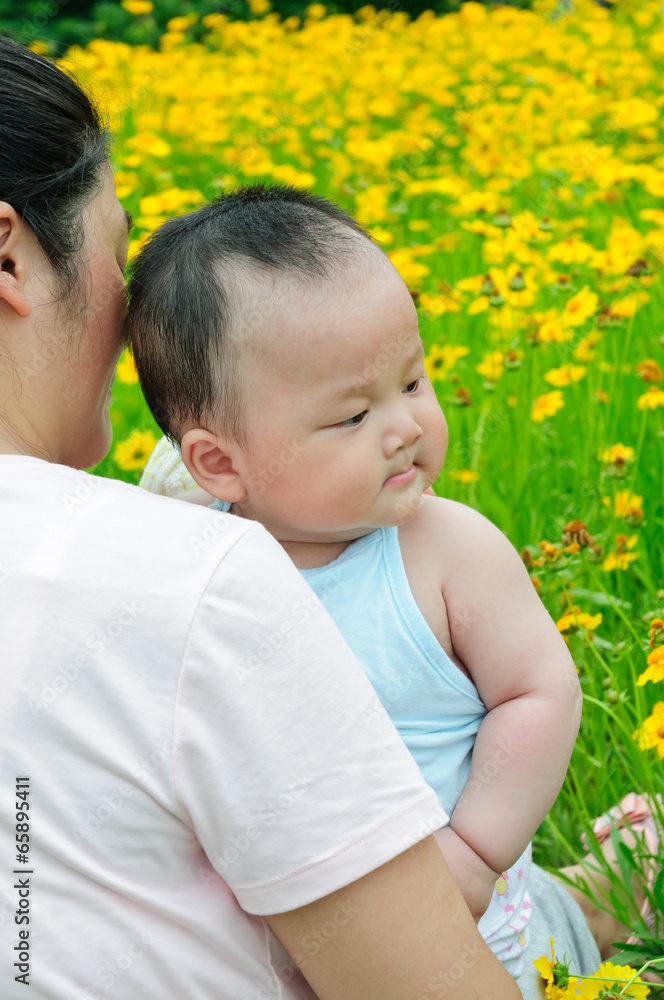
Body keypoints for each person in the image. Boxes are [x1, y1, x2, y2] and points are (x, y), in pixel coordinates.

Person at [0, 37, 524, 1000]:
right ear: (9, 257)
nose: (127, 315)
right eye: (121, 254)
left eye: (411, 381)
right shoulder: (199, 572)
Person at [130, 185, 605, 998]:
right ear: (219, 466)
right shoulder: (197, 545)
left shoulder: (443, 552)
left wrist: (478, 852)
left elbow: (541, 692)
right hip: (283, 950)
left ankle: (605, 894)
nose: (406, 426)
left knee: (569, 939)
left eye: (413, 381)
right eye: (353, 416)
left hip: (465, 932)